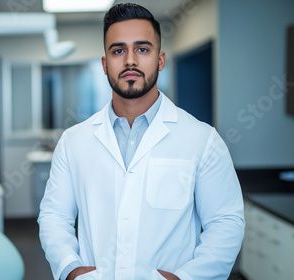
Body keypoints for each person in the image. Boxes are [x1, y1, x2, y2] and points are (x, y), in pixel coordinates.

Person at [38, 3, 245, 280]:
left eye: (142, 49)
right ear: (105, 63)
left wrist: (186, 278)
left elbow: (225, 222)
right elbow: (54, 216)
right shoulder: (73, 141)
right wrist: (70, 270)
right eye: (119, 50)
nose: (130, 61)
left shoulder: (202, 139)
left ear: (160, 60)